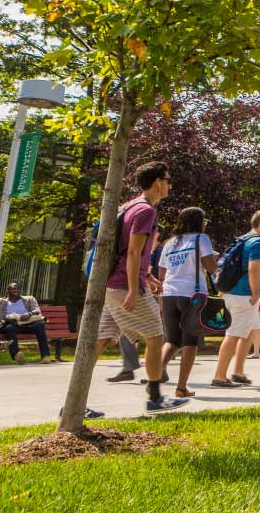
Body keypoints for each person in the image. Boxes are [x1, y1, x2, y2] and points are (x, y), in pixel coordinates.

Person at [89, 162, 187, 413]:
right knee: (156, 336)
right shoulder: (145, 211)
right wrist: (134, 288)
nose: (169, 184)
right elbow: (133, 251)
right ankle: (155, 397)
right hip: (124, 285)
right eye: (168, 179)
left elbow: (130, 252)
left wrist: (147, 278)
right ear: (157, 182)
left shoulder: (129, 206)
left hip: (111, 284)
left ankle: (75, 400)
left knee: (99, 342)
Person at [155, 206, 217, 398]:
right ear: (199, 222)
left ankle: (153, 378)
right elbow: (210, 267)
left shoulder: (170, 243)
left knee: (172, 340)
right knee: (190, 341)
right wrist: (214, 258)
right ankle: (181, 388)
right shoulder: (201, 238)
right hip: (192, 294)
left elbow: (162, 273)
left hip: (169, 294)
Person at [211, 209, 260, 389]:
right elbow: (254, 268)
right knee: (233, 335)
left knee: (250, 331)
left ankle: (238, 372)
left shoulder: (243, 239)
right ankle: (219, 376)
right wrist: (256, 292)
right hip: (244, 295)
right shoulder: (259, 241)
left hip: (233, 292)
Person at [0, 282, 53, 365]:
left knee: (39, 325)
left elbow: (37, 310)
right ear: (8, 291)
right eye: (13, 288)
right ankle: (17, 354)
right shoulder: (2, 302)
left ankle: (45, 356)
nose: (16, 290)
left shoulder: (29, 299)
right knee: (9, 328)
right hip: (14, 324)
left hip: (28, 324)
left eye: (18, 288)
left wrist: (29, 314)